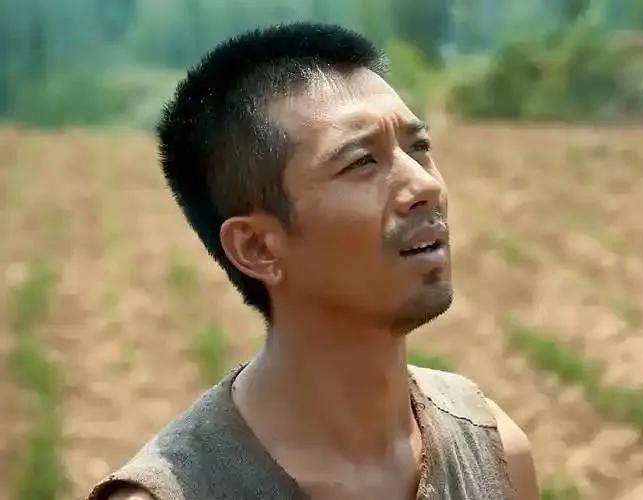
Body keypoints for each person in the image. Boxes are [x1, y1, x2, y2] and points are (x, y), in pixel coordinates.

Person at [88, 22, 538, 500]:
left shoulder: (493, 456)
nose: (424, 186)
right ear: (258, 248)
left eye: (418, 148)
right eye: (361, 162)